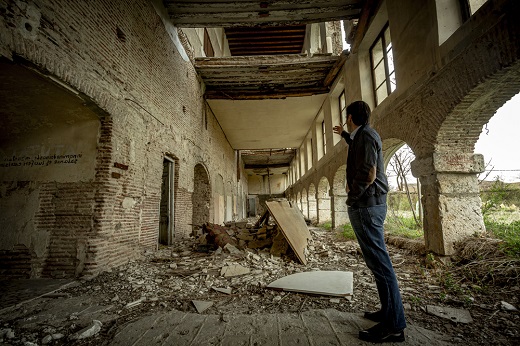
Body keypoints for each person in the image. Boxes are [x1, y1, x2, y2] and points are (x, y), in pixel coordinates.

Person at [333, 100, 406, 343]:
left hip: (366, 205)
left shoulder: (365, 137)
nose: (346, 122)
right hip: (369, 204)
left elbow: (368, 173)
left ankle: (394, 325)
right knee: (377, 264)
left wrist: (352, 198)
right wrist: (344, 134)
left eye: (346, 119)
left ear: (351, 116)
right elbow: (355, 143)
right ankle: (387, 312)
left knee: (381, 265)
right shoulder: (362, 135)